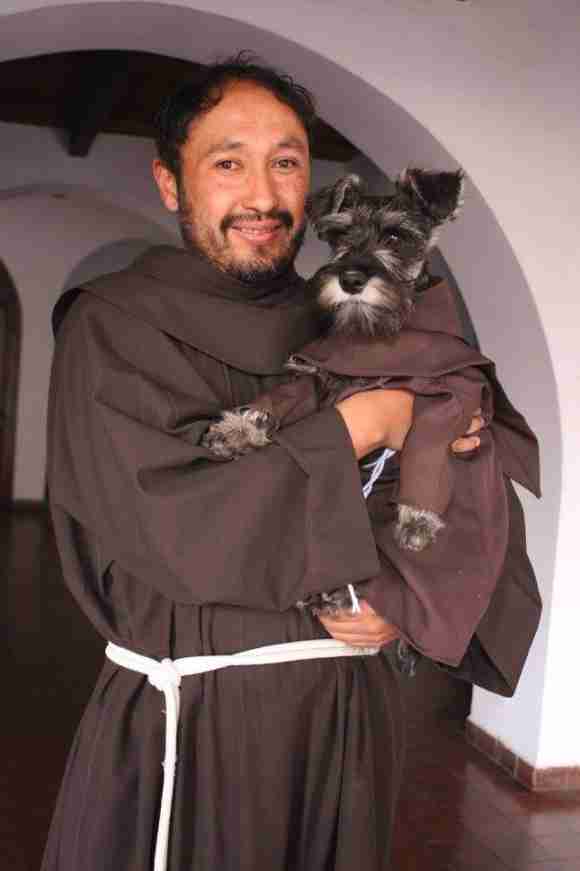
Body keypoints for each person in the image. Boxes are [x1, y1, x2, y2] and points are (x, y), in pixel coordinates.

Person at [42, 56, 523, 871]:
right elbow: (175, 523)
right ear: (170, 182)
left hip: (346, 723)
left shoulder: (358, 319)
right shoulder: (112, 328)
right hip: (193, 729)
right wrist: (362, 424)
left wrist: (410, 601)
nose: (263, 196)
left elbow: (472, 493)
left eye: (287, 163)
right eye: (228, 163)